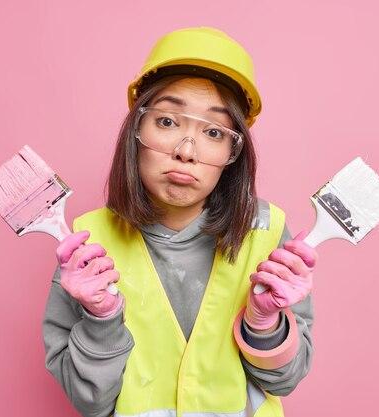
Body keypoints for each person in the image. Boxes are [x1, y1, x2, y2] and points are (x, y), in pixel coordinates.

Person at [42, 27, 318, 417]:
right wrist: (101, 318)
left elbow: (284, 380)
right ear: (136, 130)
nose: (186, 151)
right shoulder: (86, 246)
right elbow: (89, 401)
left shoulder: (267, 230)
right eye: (168, 122)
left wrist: (265, 322)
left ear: (233, 153)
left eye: (213, 131)